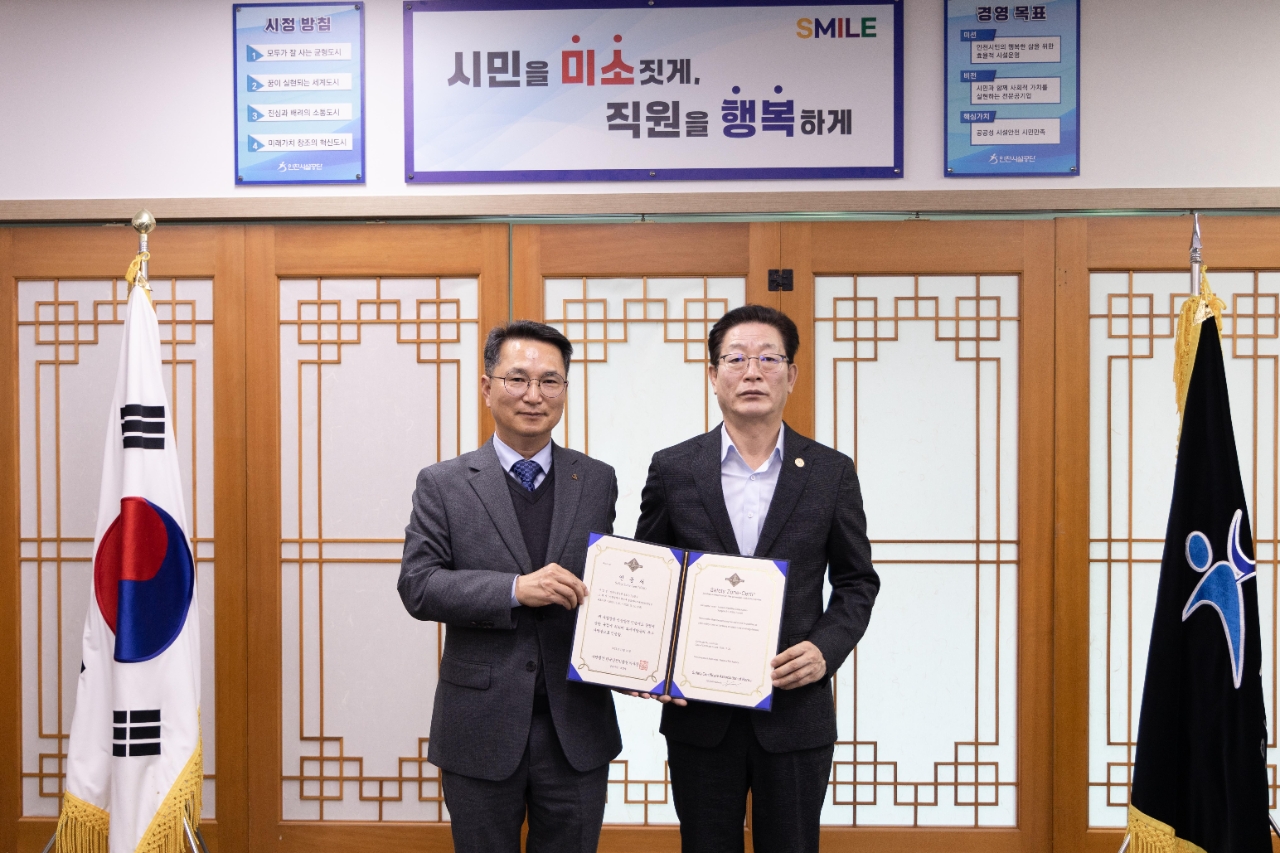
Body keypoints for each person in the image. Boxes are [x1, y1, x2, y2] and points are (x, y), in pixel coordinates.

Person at [634, 304, 880, 853]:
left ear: (791, 375)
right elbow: (649, 578)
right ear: (712, 373)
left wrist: (824, 650)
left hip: (795, 711)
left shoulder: (830, 472)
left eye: (769, 359)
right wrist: (650, 660)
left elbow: (858, 582)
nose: (752, 372)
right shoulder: (673, 468)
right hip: (699, 714)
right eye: (736, 359)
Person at [398, 320, 621, 853]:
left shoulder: (597, 479)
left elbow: (613, 582)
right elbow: (419, 586)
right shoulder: (443, 483)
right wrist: (514, 589)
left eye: (550, 381)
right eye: (517, 378)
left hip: (576, 724)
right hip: (479, 724)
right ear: (487, 387)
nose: (533, 395)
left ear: (565, 389)